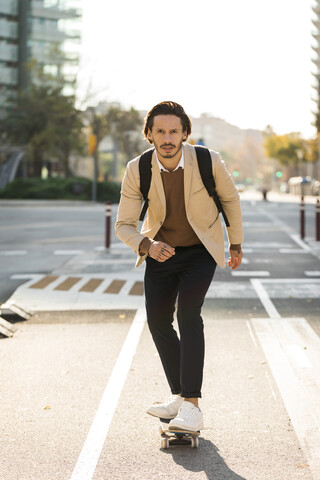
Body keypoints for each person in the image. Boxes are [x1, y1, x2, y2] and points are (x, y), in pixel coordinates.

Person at [115, 101, 243, 432]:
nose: (168, 138)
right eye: (161, 131)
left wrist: (236, 242)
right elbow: (124, 224)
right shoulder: (138, 168)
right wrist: (146, 245)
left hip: (201, 249)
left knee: (188, 313)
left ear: (185, 133)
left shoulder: (207, 160)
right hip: (161, 250)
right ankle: (180, 395)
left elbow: (230, 199)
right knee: (157, 319)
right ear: (149, 135)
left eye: (174, 131)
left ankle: (192, 405)